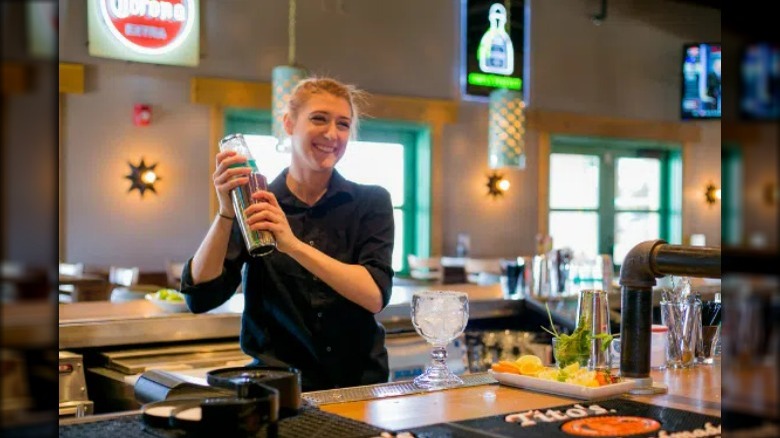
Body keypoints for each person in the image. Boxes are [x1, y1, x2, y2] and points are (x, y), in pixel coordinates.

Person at [180, 78, 395, 391]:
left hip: (357, 384)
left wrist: (292, 244)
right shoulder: (259, 201)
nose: (332, 134)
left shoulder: (371, 202)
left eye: (343, 124)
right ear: (289, 124)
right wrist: (227, 211)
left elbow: (374, 295)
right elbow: (200, 297)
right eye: (319, 118)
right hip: (276, 387)